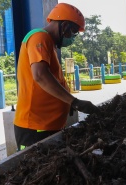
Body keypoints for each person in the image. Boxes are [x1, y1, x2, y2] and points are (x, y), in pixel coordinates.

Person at [13, 3, 99, 151]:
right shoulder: (39, 37)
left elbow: (51, 80)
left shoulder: (49, 44)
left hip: (46, 127)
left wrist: (65, 100)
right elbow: (40, 75)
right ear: (64, 25)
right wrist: (74, 102)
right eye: (73, 32)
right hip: (35, 128)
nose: (72, 37)